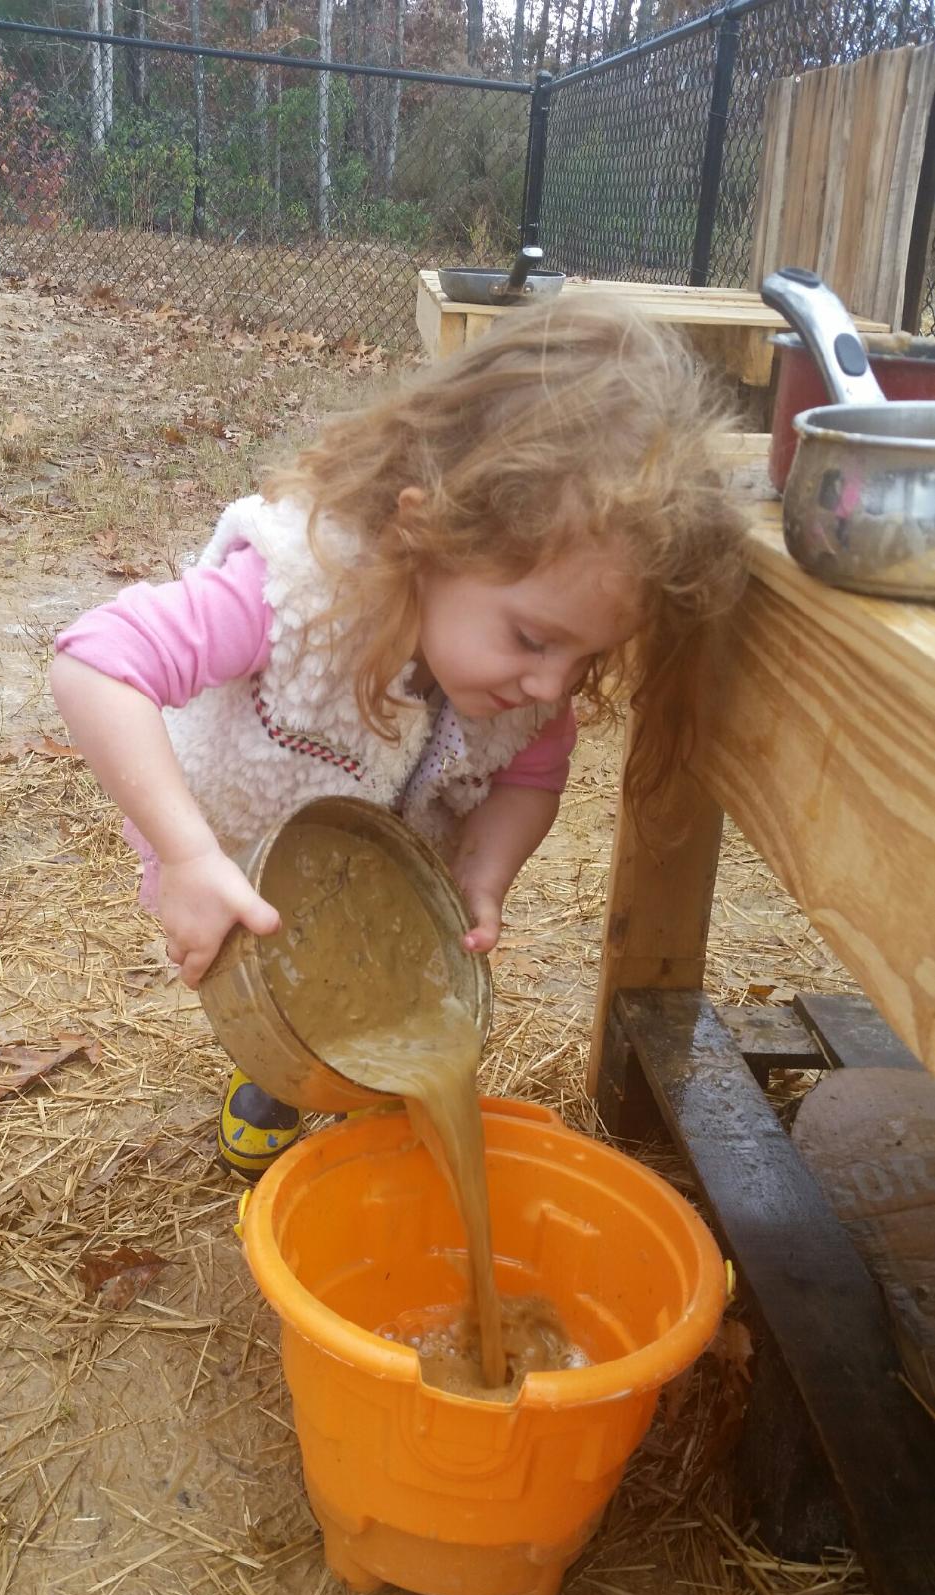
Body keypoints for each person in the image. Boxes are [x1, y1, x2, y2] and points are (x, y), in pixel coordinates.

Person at [51, 294, 747, 1179]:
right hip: (241, 856)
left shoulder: (532, 686)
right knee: (283, 983)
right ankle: (275, 1076)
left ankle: (360, 1089)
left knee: (374, 982)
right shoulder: (296, 593)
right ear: (423, 531)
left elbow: (537, 773)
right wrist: (187, 856)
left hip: (386, 872)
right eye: (533, 640)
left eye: (589, 659)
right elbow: (94, 664)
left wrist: (487, 865)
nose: (551, 685)